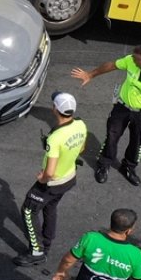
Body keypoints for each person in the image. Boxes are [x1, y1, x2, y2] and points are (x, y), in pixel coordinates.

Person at [72, 43, 141, 187]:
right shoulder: (131, 61)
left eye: (136, 59)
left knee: (136, 143)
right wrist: (90, 74)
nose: (131, 59)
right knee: (111, 136)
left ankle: (128, 167)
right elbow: (112, 65)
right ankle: (104, 164)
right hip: (122, 108)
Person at [14, 92, 88, 267]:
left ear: (55, 109)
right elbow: (82, 148)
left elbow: (51, 170)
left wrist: (43, 178)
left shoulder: (55, 138)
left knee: (28, 210)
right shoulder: (80, 124)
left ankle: (37, 251)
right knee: (50, 207)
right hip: (69, 177)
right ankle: (47, 242)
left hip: (52, 182)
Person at [50, 208, 141, 280]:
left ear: (111, 223)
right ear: (129, 231)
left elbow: (68, 259)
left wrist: (60, 273)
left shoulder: (91, 238)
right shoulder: (135, 254)